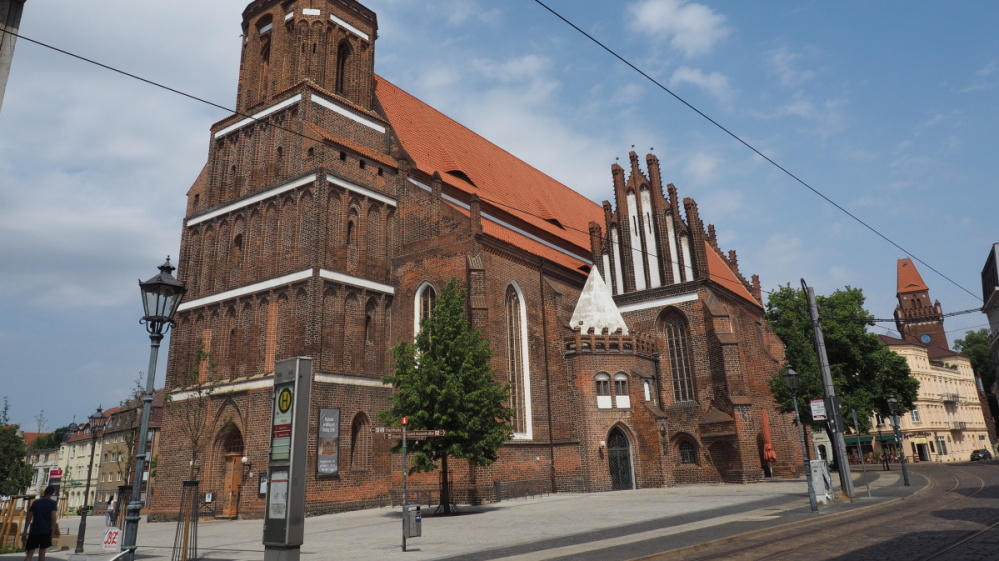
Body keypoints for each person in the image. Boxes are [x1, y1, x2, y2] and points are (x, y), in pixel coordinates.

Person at [22, 485, 60, 561]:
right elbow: (53, 517)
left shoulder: (35, 503)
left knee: (30, 552)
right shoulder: (52, 503)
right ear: (52, 493)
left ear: (45, 492)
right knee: (42, 552)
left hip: (34, 530)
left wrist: (25, 530)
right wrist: (53, 529)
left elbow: (28, 518)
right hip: (46, 530)